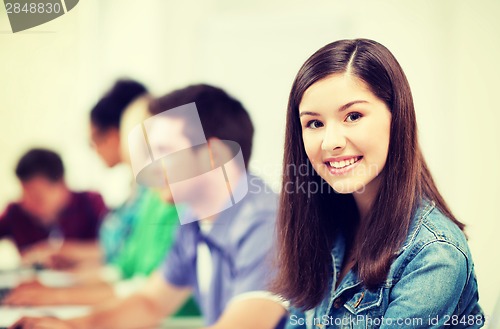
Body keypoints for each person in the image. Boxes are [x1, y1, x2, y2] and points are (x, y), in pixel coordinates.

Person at [10, 84, 287, 329]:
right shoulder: (193, 218)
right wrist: (72, 325)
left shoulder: (265, 222)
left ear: (212, 155)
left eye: (164, 151)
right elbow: (150, 302)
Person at [272, 38, 485, 328]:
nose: (331, 142)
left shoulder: (434, 253)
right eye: (315, 123)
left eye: (353, 116)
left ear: (397, 118)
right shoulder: (325, 225)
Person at [0, 148, 106, 256]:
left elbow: (115, 249)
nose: (28, 204)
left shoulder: (91, 202)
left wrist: (63, 252)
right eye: (24, 195)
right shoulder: (15, 212)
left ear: (62, 185)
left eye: (37, 197)